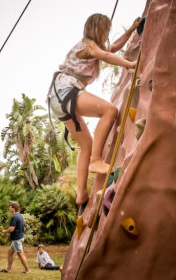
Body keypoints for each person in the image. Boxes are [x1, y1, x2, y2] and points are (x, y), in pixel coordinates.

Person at [48, 13, 140, 213]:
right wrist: (130, 64)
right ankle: (96, 161)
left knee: (86, 145)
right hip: (66, 90)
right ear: (97, 29)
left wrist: (131, 30)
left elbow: (112, 48)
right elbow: (106, 55)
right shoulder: (88, 44)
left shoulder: (93, 47)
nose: (107, 34)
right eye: (106, 30)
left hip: (58, 98)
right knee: (110, 110)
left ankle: (81, 195)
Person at [0, 201, 30, 274]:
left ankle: (27, 270)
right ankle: (8, 269)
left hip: (17, 239)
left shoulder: (15, 217)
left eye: (10, 207)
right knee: (10, 253)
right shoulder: (19, 215)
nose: (9, 208)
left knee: (20, 254)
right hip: (18, 238)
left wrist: (5, 231)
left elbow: (12, 229)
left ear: (13, 208)